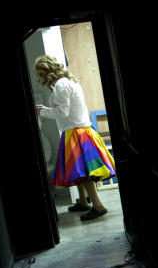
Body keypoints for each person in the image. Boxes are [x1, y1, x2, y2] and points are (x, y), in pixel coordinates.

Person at [33, 54, 116, 220]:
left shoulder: (60, 86)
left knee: (82, 172)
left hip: (75, 132)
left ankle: (98, 206)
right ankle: (84, 203)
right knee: (77, 170)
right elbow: (66, 110)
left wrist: (41, 110)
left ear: (46, 72)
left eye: (40, 73)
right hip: (80, 130)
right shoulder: (68, 82)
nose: (39, 77)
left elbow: (61, 112)